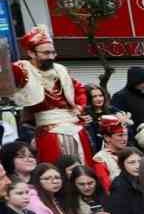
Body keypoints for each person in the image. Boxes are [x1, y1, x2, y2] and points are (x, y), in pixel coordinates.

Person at [8, 28, 92, 167]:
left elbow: (79, 90)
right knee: (54, 171)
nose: (52, 57)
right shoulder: (23, 70)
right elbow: (8, 73)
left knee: (84, 170)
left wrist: (79, 107)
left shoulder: (61, 70)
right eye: (46, 53)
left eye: (53, 52)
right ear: (31, 53)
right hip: (48, 133)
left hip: (75, 128)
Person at [89, 115, 129, 191]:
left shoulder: (130, 153)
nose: (124, 139)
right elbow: (106, 188)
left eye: (126, 135)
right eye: (120, 135)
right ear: (107, 137)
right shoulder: (100, 159)